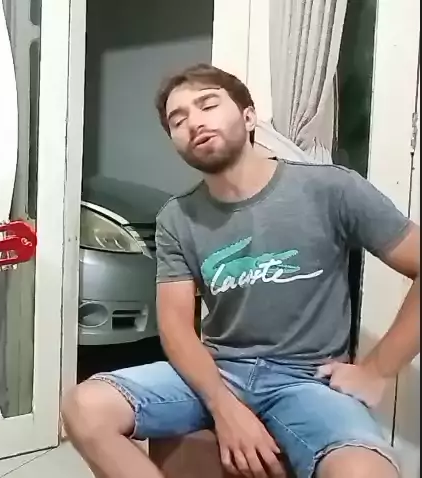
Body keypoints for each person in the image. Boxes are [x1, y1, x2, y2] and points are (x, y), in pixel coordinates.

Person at [61, 63, 420, 478]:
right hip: (219, 371)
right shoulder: (177, 218)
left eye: (208, 104)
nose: (194, 122)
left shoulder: (331, 189)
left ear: (248, 117)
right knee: (84, 408)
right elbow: (176, 327)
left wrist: (376, 371)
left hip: (307, 380)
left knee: (366, 472)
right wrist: (224, 407)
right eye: (178, 120)